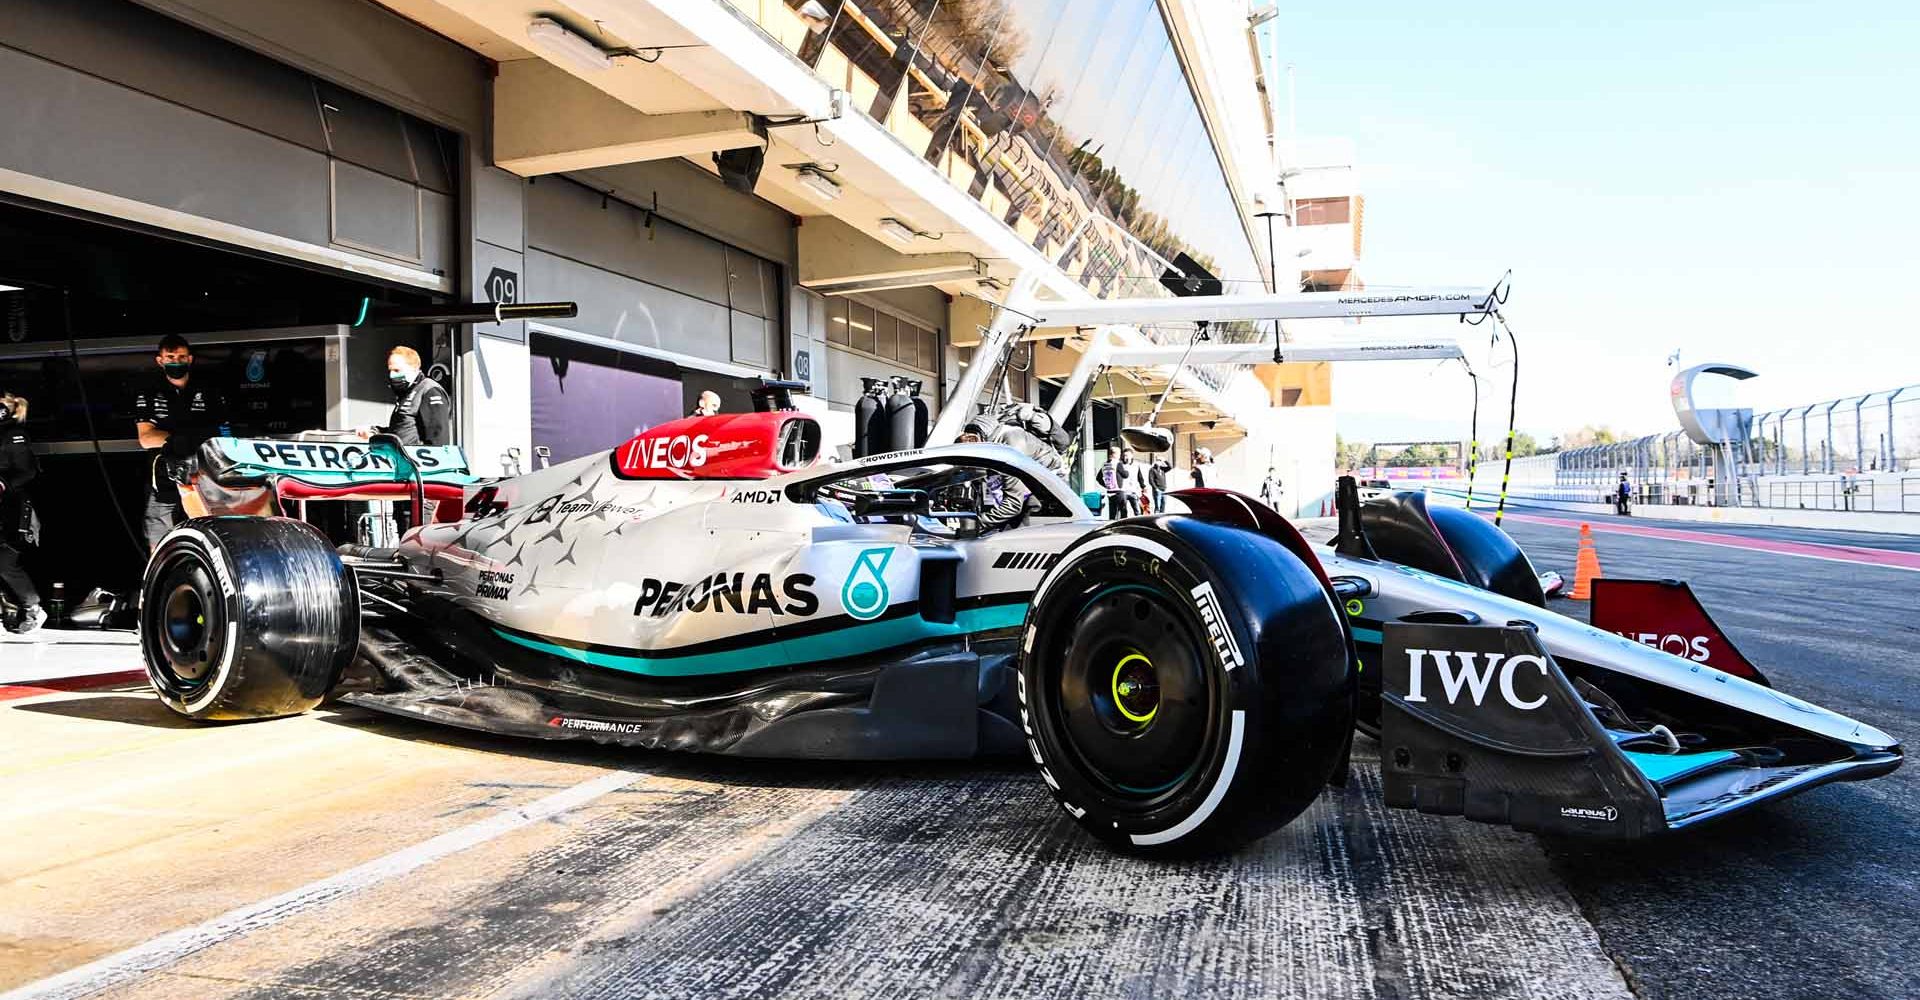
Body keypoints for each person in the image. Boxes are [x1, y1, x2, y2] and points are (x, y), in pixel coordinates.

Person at [134, 334, 230, 550]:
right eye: (170, 357)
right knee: (160, 544)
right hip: (163, 479)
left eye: (181, 356)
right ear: (160, 360)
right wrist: (184, 440)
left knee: (209, 536)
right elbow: (146, 438)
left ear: (190, 359)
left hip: (205, 478)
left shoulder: (209, 390)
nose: (175, 361)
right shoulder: (149, 392)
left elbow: (224, 434)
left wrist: (185, 439)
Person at [0, 391, 44, 633]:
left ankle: (33, 609)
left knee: (5, 562)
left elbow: (27, 471)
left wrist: (3, 483)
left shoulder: (14, 434)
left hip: (11, 510)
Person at [366, 346, 450, 446]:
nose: (391, 375)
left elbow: (438, 438)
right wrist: (375, 432)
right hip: (400, 458)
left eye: (397, 370)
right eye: (390, 370)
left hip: (417, 459)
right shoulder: (406, 392)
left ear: (414, 368)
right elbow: (402, 431)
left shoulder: (429, 390)